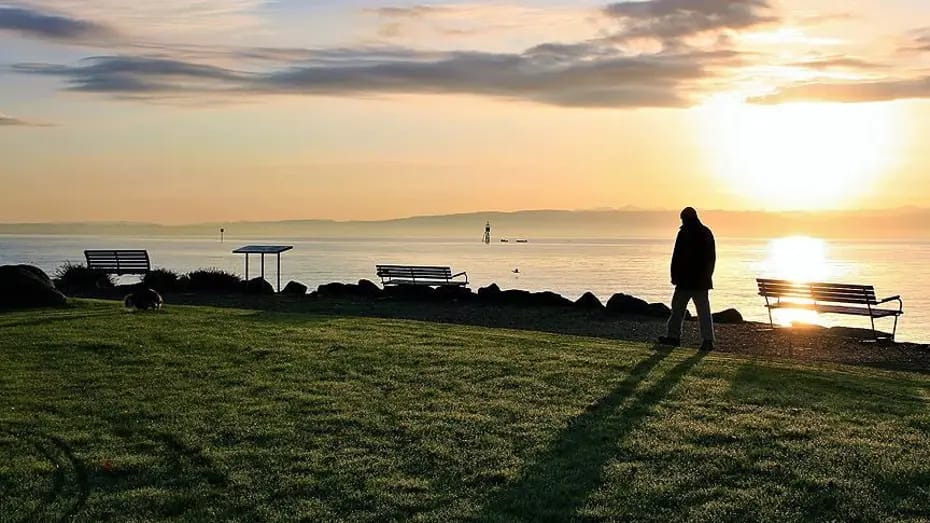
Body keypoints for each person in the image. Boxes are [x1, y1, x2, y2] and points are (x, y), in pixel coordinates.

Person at [658, 207, 716, 350]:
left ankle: (674, 337)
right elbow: (711, 258)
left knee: (677, 310)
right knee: (703, 312)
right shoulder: (706, 232)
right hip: (701, 281)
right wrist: (708, 275)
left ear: (684, 219)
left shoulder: (684, 233)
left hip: (685, 280)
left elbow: (677, 256)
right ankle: (707, 340)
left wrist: (674, 276)